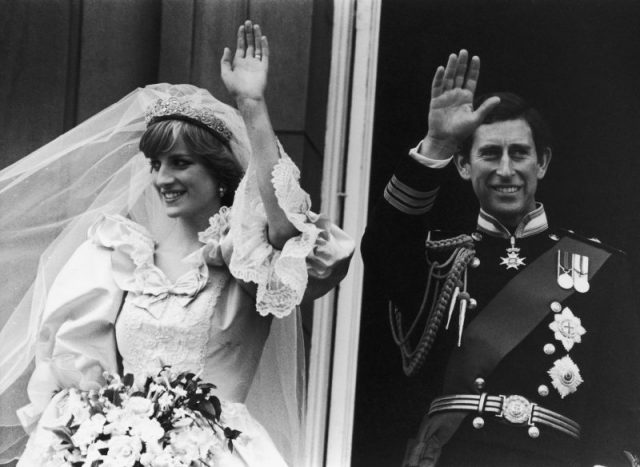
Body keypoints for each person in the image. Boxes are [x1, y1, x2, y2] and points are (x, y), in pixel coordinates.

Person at [0, 20, 354, 466]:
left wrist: (251, 106)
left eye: (181, 163)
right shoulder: (119, 256)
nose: (163, 178)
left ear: (219, 175)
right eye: (156, 163)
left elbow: (286, 230)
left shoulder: (244, 259)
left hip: (216, 452)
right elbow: (82, 372)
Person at [361, 50, 640, 466]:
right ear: (462, 165)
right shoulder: (440, 261)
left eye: (519, 153)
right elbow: (382, 247)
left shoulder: (602, 269)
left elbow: (622, 398)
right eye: (490, 154)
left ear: (541, 163)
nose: (505, 170)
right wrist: (436, 143)